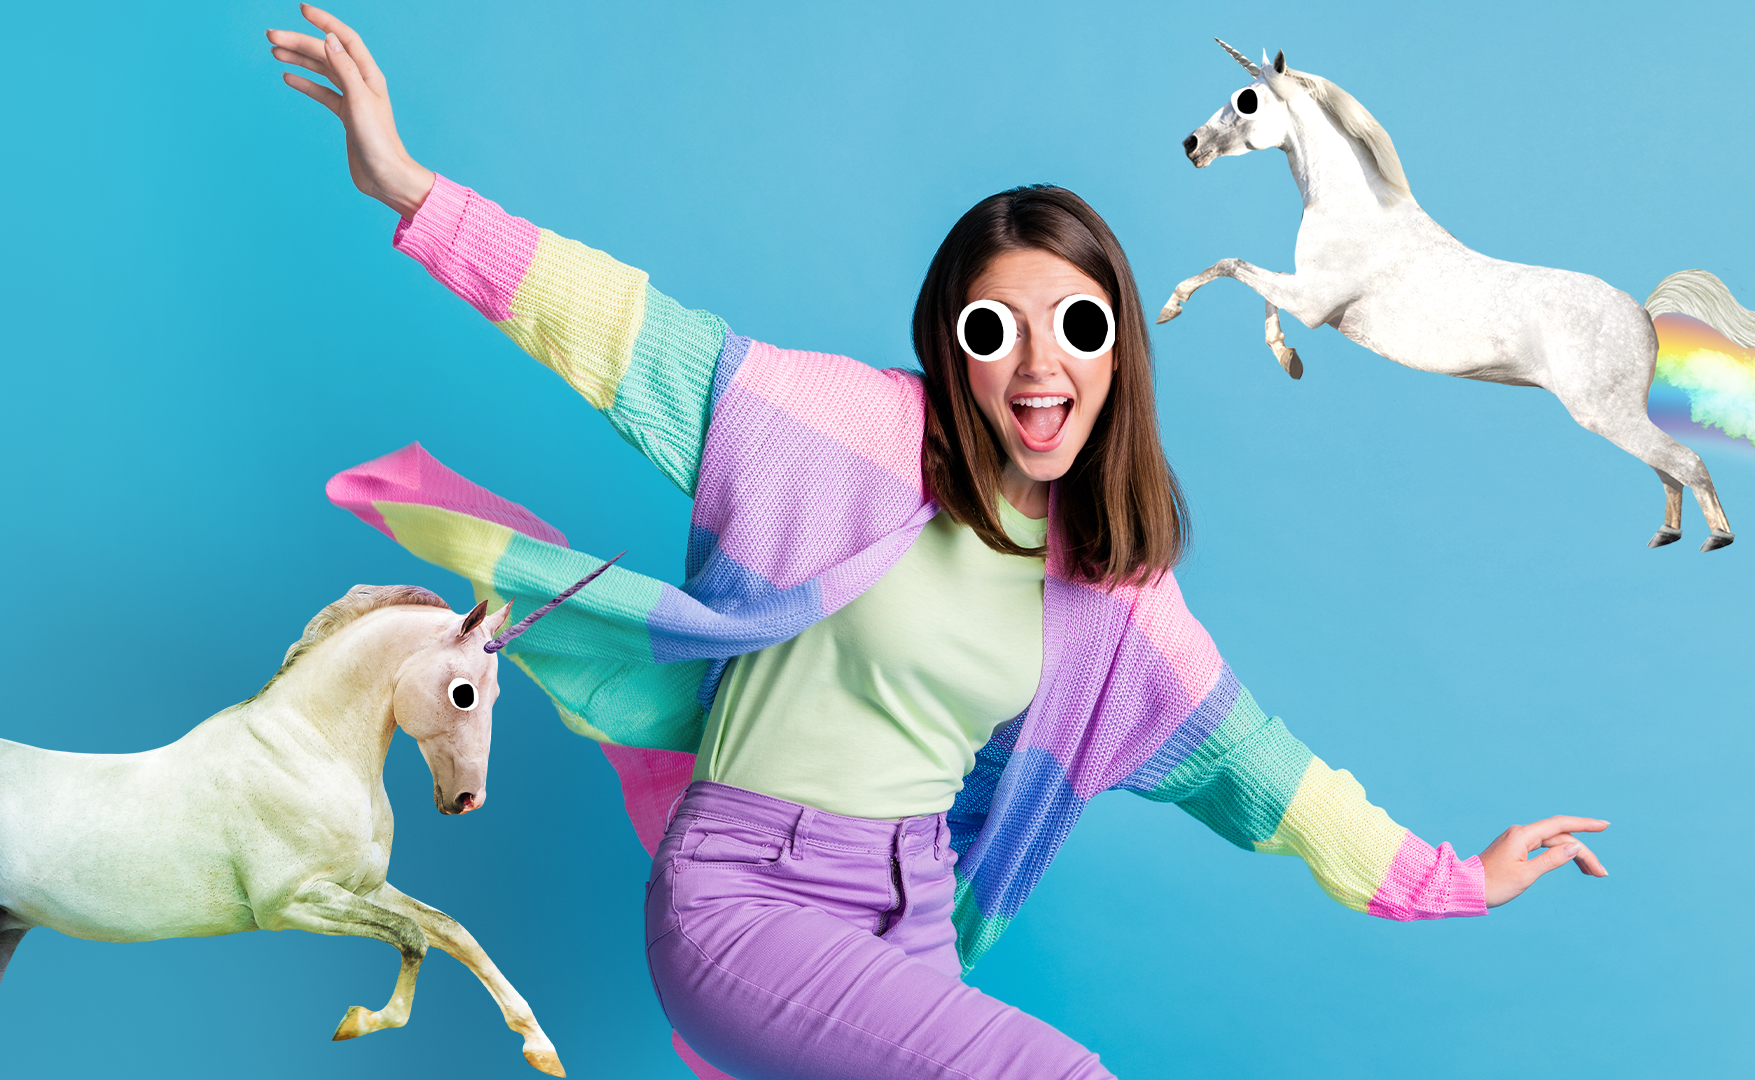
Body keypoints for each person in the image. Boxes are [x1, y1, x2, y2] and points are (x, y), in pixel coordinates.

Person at [272, 7, 1609, 1078]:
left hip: (908, 917)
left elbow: (1268, 777)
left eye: (1077, 328)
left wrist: (1456, 880)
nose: (1039, 365)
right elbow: (629, 335)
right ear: (951, 353)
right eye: (995, 330)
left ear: (1119, 355)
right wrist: (414, 193)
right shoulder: (841, 430)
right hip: (744, 897)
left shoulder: (1116, 596)